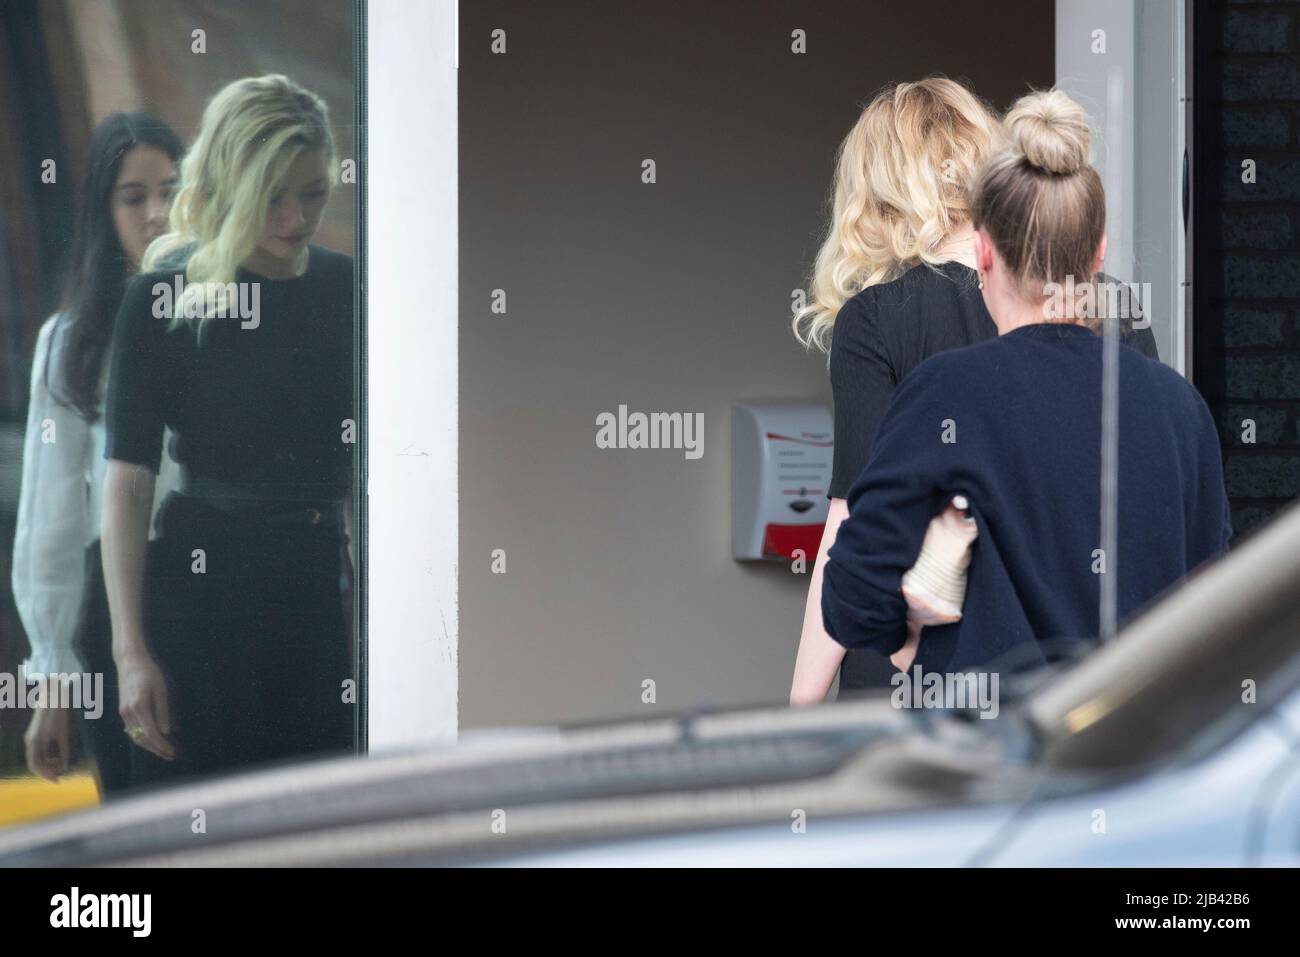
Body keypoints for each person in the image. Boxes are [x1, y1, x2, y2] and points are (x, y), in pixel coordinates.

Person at [821, 89, 1232, 675]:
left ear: (985, 252)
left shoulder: (946, 393)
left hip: (983, 753)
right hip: (1125, 749)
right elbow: (1210, 612)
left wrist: (908, 631)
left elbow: (854, 596)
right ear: (1097, 254)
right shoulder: (1180, 409)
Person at [100, 74, 356, 788]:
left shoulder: (345, 288)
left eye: (312, 192)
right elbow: (128, 481)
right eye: (273, 195)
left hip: (318, 586)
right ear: (231, 186)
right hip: (207, 590)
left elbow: (375, 471)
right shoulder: (163, 298)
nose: (295, 217)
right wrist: (131, 653)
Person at [16, 112, 183, 793]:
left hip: (225, 584)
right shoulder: (72, 339)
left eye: (171, 190)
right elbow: (50, 516)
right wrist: (53, 683)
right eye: (134, 196)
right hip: (120, 601)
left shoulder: (227, 310)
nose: (157, 214)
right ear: (103, 212)